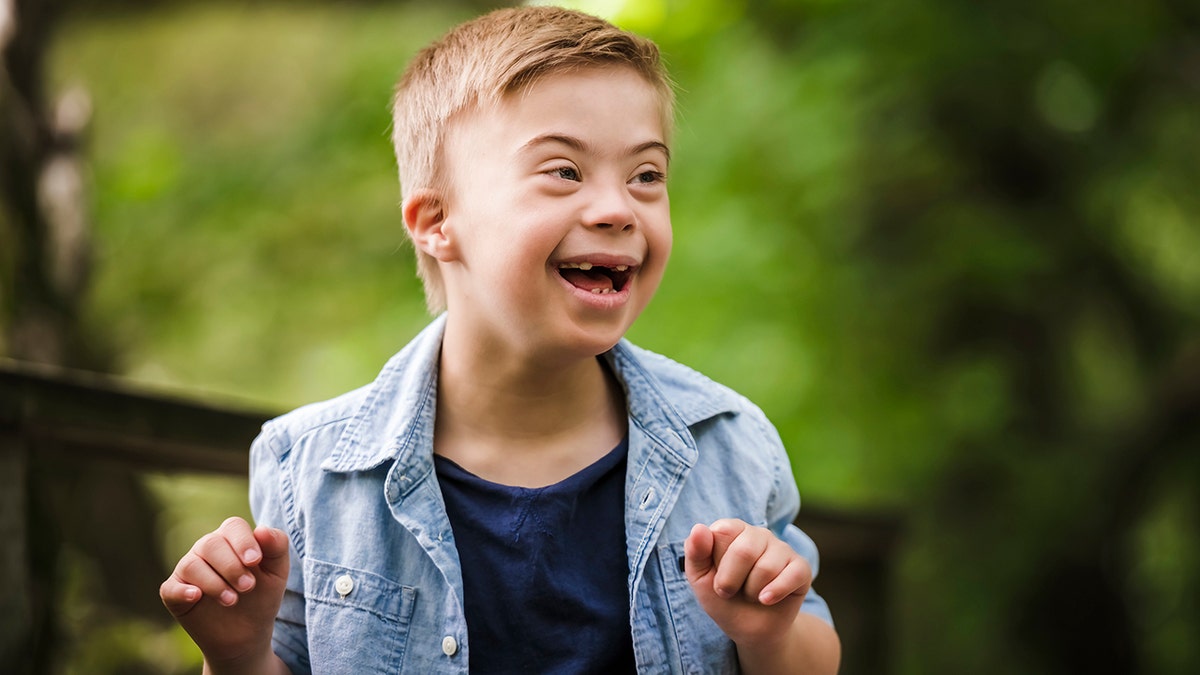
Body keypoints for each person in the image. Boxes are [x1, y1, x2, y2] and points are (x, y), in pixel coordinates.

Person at [159, 6, 841, 674]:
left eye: (646, 176)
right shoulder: (310, 472)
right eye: (564, 171)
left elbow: (811, 645)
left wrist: (770, 633)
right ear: (436, 222)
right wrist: (239, 654)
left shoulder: (727, 443)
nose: (616, 208)